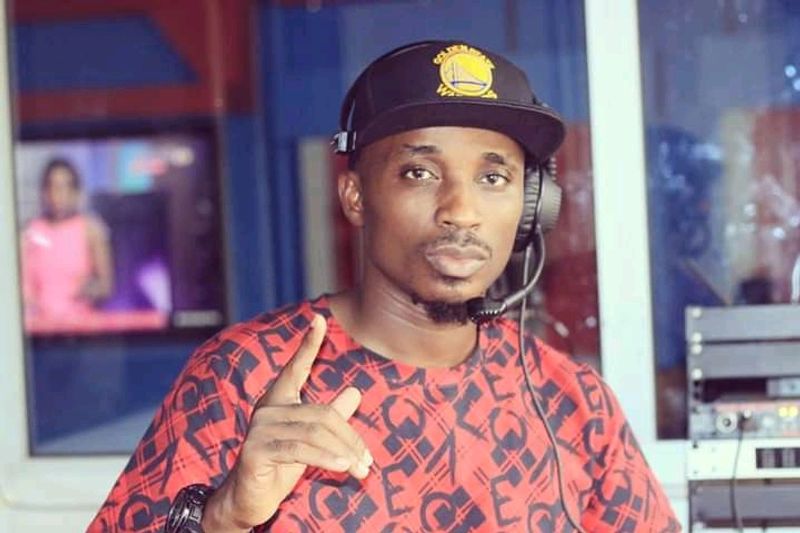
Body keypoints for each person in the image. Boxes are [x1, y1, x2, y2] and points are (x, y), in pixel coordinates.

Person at [89, 41, 680, 532]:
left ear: (530, 210)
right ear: (355, 197)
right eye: (419, 172)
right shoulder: (243, 374)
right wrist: (224, 517)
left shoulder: (573, 402)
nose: (461, 210)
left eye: (494, 177)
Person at [21, 158, 113, 323]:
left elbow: (105, 286)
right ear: (44, 192)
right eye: (53, 187)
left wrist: (87, 290)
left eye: (64, 187)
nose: (58, 195)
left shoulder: (91, 230)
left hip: (81, 326)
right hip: (39, 327)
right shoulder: (31, 232)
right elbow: (21, 285)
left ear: (75, 192)